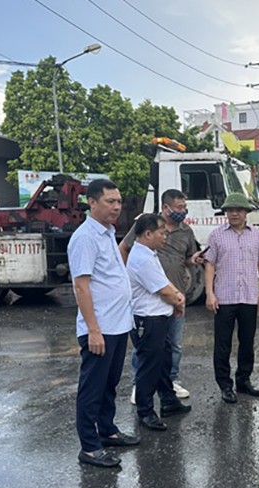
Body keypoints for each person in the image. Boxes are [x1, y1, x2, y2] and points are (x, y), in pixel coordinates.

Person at [67, 179, 139, 468]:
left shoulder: (107, 232)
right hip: (100, 329)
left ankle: (107, 430)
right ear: (92, 203)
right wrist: (93, 330)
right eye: (111, 201)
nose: (117, 207)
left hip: (118, 325)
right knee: (92, 388)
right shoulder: (85, 237)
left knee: (109, 385)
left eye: (119, 201)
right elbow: (81, 286)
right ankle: (90, 446)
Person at [120, 189, 205, 404]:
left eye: (184, 208)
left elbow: (186, 258)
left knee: (171, 345)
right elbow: (124, 248)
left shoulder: (186, 231)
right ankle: (139, 385)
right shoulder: (147, 225)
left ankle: (170, 382)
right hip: (153, 297)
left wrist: (192, 260)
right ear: (166, 207)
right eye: (179, 208)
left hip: (174, 294)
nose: (183, 211)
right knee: (146, 348)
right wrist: (124, 280)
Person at [205, 193, 259, 404]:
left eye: (239, 210)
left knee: (247, 342)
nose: (234, 214)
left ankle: (243, 380)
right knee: (223, 344)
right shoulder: (216, 235)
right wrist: (209, 293)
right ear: (225, 213)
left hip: (249, 297)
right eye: (230, 210)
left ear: (246, 213)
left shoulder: (257, 236)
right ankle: (225, 385)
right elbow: (210, 264)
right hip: (224, 297)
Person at [127, 213, 191, 432]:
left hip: (158, 318)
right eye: (161, 233)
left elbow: (165, 283)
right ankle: (145, 412)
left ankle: (168, 400)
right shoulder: (142, 258)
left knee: (163, 361)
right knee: (149, 367)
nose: (165, 237)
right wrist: (179, 301)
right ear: (147, 234)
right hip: (148, 320)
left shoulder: (148, 253)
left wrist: (177, 298)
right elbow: (164, 290)